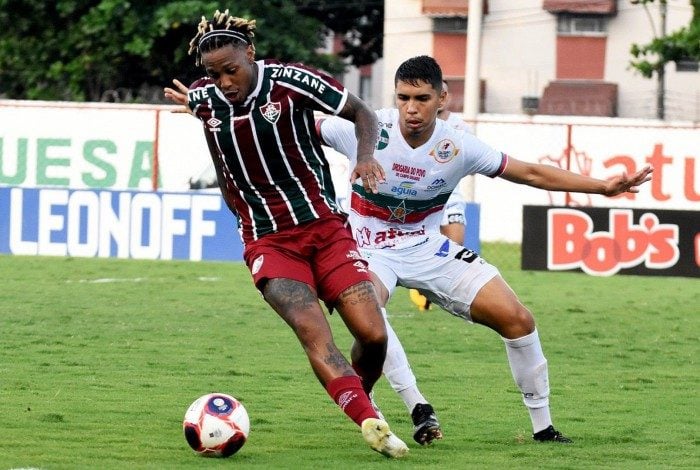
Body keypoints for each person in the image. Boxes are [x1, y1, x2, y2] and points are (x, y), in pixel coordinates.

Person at [316, 55, 653, 446]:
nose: (411, 108)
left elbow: (530, 173)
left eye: (422, 98)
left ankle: (543, 428)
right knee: (370, 315)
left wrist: (603, 188)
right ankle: (401, 404)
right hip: (368, 247)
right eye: (403, 97)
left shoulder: (458, 145)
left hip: (426, 245)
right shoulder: (366, 128)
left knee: (518, 319)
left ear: (442, 98)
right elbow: (301, 123)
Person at [163, 10, 408, 458]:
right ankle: (368, 420)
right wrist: (241, 215)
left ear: (250, 53)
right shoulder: (206, 99)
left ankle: (359, 396)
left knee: (373, 335)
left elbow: (362, 112)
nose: (224, 82)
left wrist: (365, 156)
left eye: (231, 70)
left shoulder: (292, 81)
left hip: (326, 230)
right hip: (270, 243)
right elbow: (215, 143)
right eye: (214, 75)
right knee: (313, 332)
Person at [409, 80, 469, 311]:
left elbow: (468, 160)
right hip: (421, 193)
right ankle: (418, 284)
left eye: (444, 92)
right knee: (417, 242)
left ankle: (431, 287)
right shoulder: (415, 125)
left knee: (456, 244)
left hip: (450, 193)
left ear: (445, 97)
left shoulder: (459, 126)